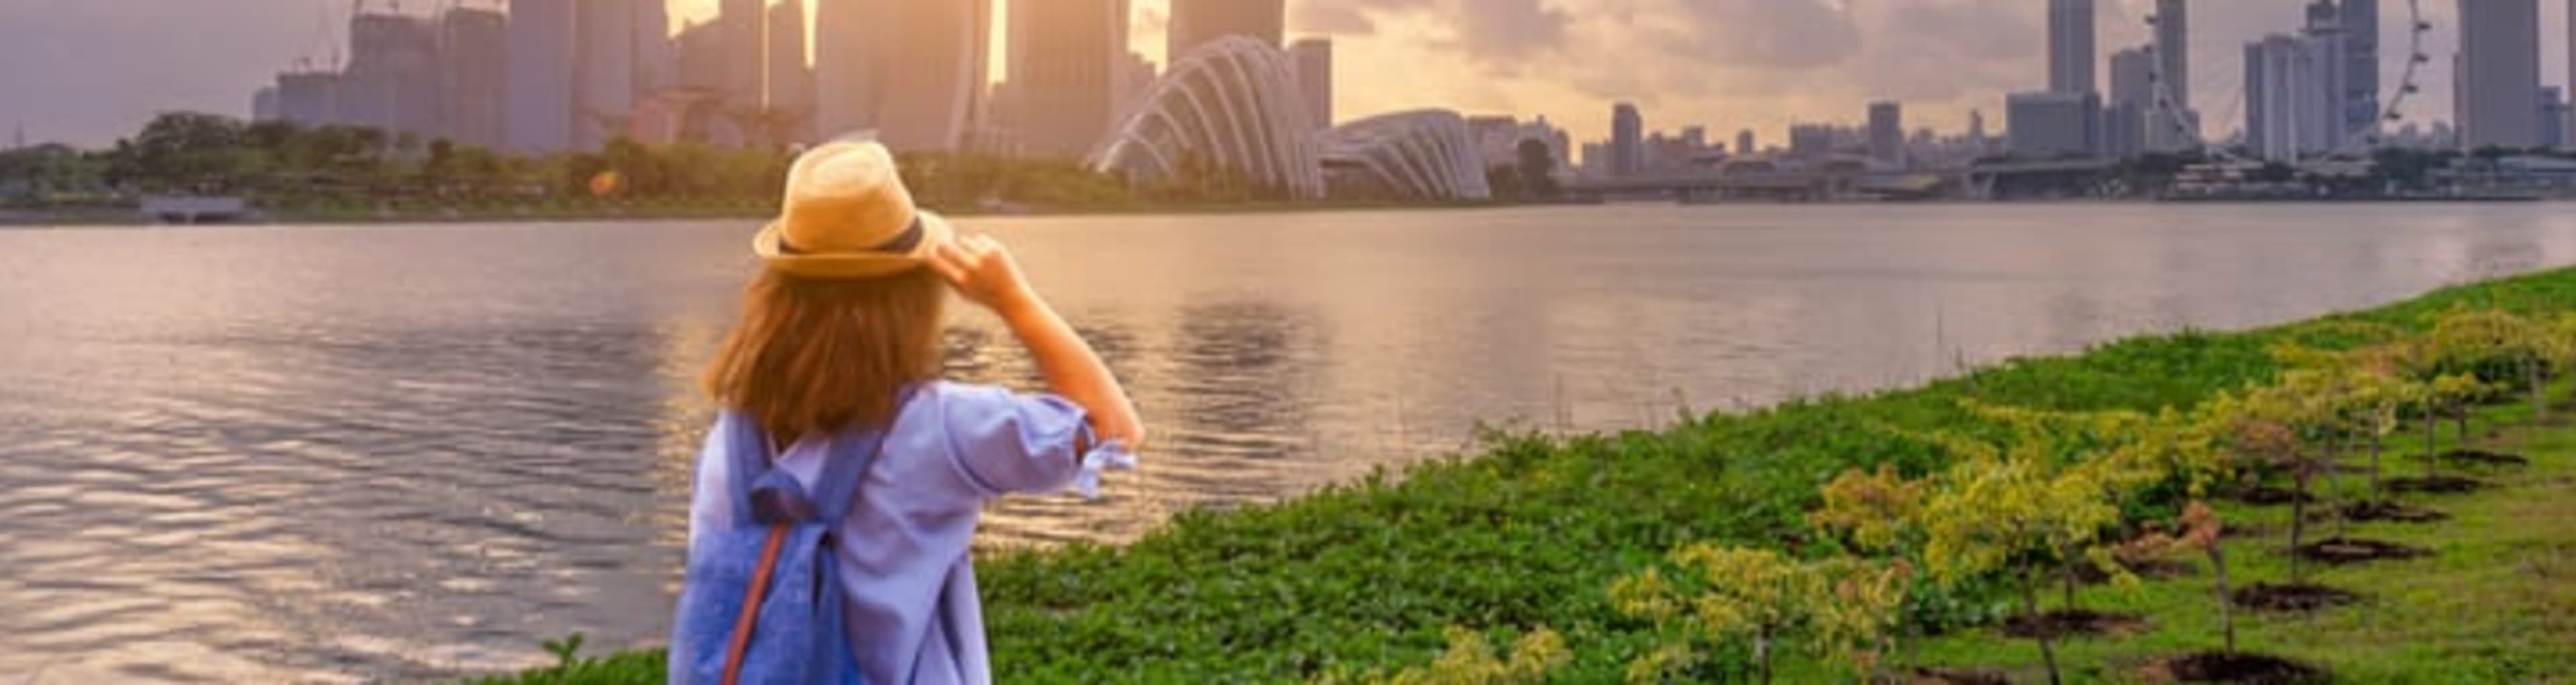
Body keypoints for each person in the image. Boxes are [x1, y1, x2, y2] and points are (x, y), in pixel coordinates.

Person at [680, 140, 1144, 684]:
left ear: (775, 290)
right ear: (917, 290)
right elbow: (1115, 428)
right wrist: (1015, 300)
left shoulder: (728, 446)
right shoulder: (941, 429)